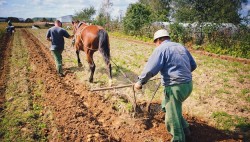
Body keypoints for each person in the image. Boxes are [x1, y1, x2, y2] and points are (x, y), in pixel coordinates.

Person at [134, 29, 197, 142]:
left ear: (158, 40)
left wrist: (140, 82)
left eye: (155, 42)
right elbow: (193, 65)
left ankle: (178, 138)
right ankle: (186, 129)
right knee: (168, 106)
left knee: (171, 116)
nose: (155, 45)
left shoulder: (161, 49)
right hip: (188, 85)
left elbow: (150, 69)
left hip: (175, 88)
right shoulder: (180, 46)